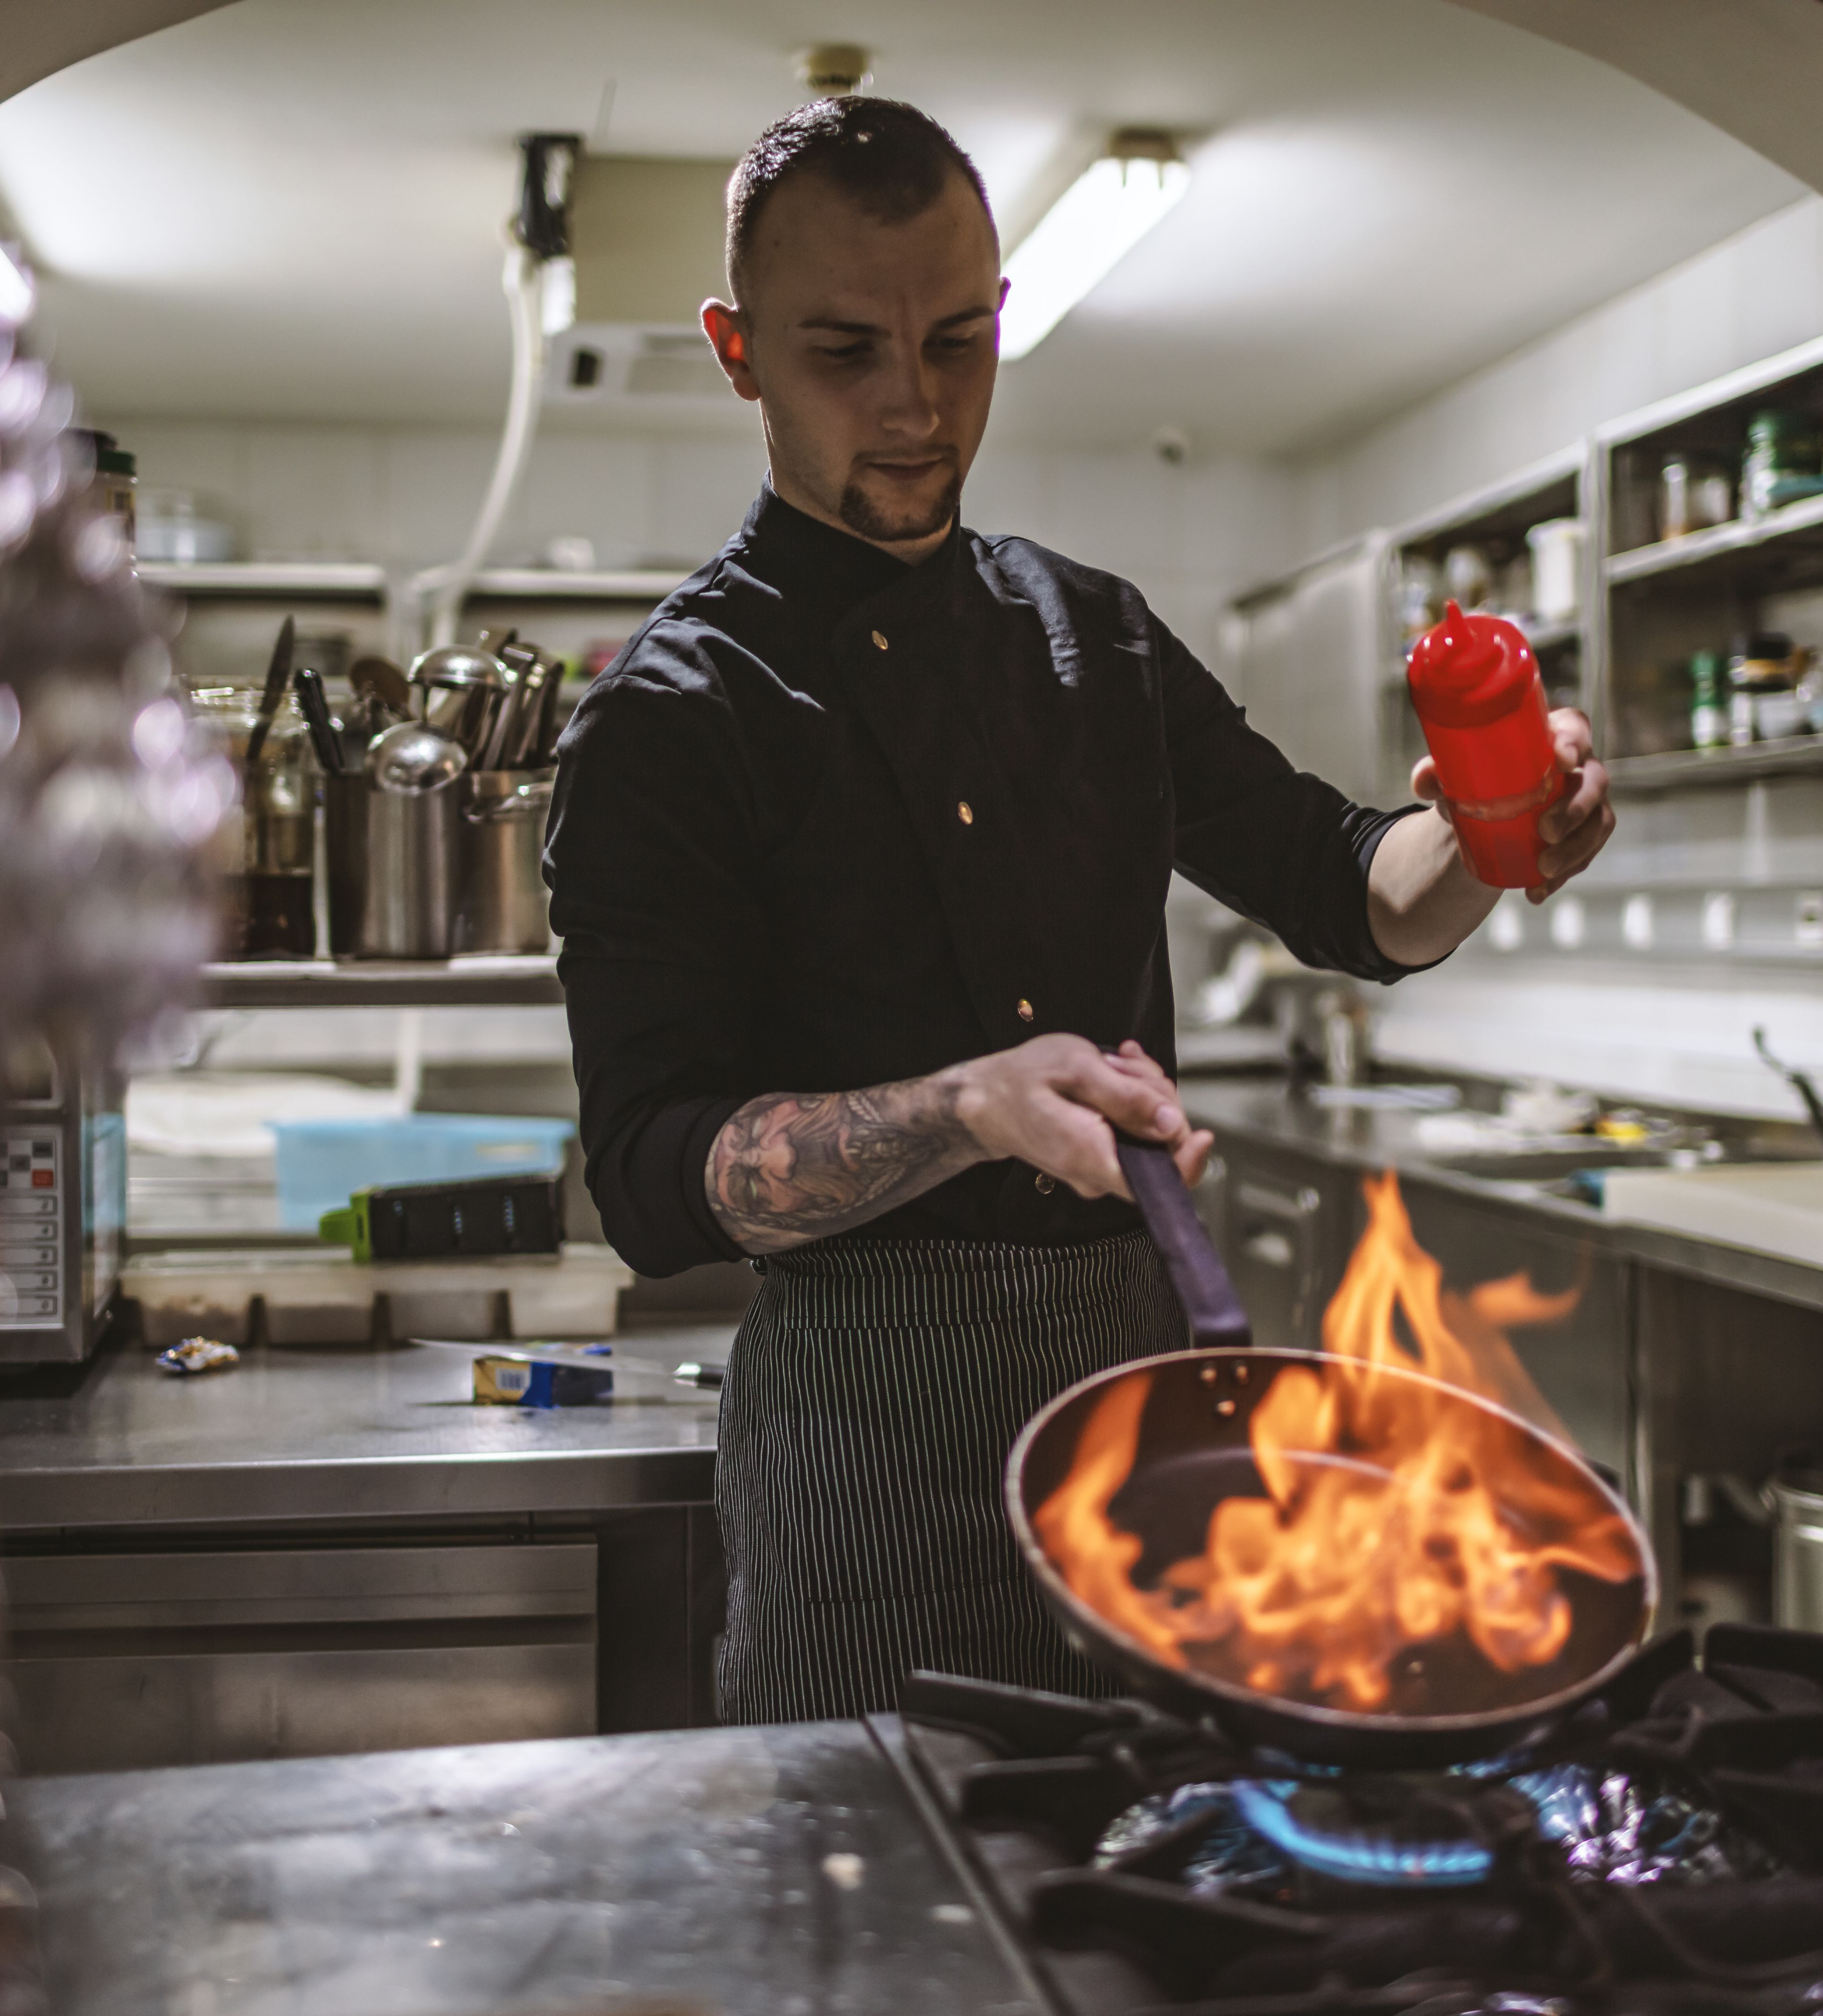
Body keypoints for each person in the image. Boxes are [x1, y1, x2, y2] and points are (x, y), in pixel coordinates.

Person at [543, 97, 1613, 1723]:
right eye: (845, 353)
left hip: (1140, 1394)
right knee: (879, 1869)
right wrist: (964, 1107)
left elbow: (1347, 890)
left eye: (956, 343)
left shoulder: (1092, 637)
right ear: (738, 352)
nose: (915, 407)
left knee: (1157, 1850)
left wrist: (1488, 836)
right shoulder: (676, 714)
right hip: (865, 1426)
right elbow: (648, 1175)